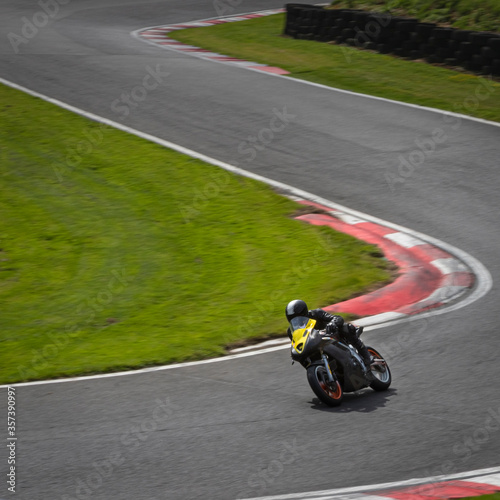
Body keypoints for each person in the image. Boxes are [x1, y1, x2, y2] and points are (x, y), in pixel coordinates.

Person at [285, 299, 372, 369]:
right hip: (313, 345)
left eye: (298, 316)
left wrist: (332, 324)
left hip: (332, 336)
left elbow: (337, 318)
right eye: (293, 318)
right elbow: (296, 342)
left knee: (346, 327)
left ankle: (367, 357)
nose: (296, 320)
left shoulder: (316, 313)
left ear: (304, 313)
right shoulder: (291, 331)